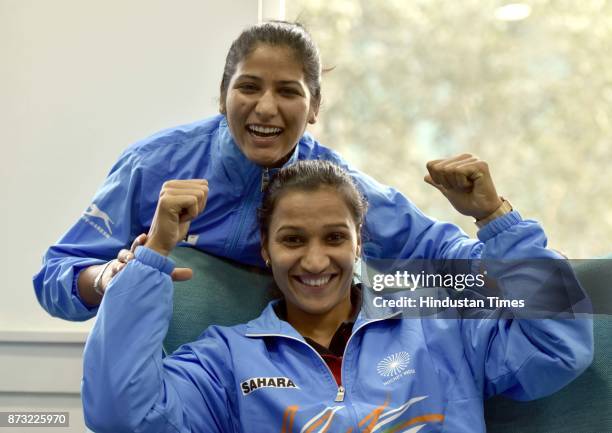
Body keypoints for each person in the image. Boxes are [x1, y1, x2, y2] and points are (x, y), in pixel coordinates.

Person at [82, 160, 592, 433]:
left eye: (334, 238)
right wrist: (151, 261)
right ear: (265, 249)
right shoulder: (226, 359)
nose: (314, 260)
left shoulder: (438, 323)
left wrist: (495, 219)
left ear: (360, 244)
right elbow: (123, 415)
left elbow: (558, 346)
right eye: (292, 240)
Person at [34, 21, 499, 320]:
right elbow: (55, 275)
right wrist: (107, 280)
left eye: (289, 92)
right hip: (175, 386)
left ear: (314, 106)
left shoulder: (336, 189)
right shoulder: (154, 165)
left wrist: (492, 215)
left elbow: (485, 272)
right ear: (223, 96)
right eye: (249, 87)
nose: (266, 108)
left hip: (282, 387)